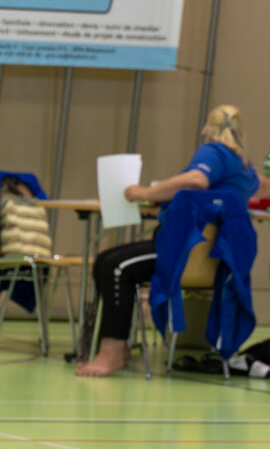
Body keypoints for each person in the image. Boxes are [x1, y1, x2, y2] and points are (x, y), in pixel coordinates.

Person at [77, 105, 259, 377]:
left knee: (116, 267)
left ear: (207, 130)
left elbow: (197, 181)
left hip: (188, 253)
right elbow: (256, 187)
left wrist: (144, 192)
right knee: (106, 259)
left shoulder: (214, 151)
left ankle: (112, 349)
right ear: (241, 134)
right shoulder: (245, 165)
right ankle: (118, 345)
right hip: (215, 260)